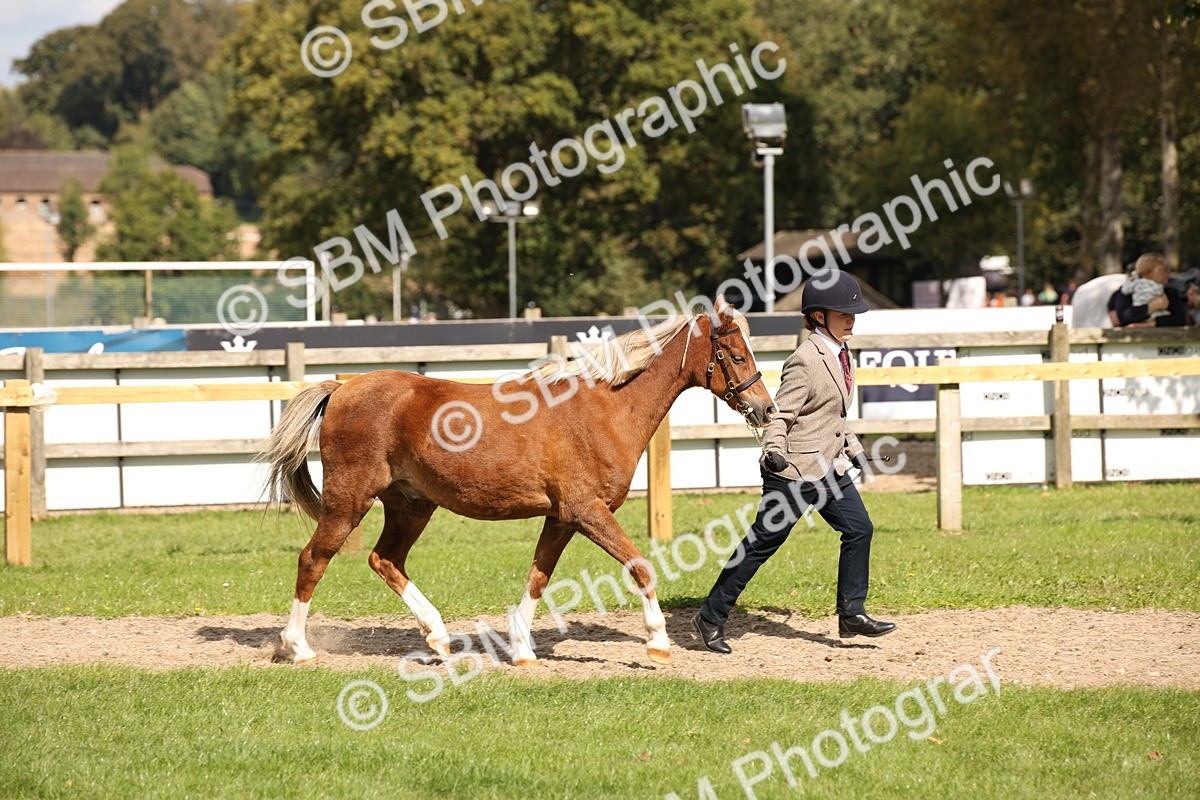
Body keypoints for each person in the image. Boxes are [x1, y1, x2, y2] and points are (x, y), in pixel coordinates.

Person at [692, 270, 894, 654]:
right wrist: (774, 451)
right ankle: (711, 616)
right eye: (842, 313)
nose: (851, 319)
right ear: (818, 316)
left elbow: (832, 417)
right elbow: (781, 416)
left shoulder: (840, 354)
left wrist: (855, 452)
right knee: (762, 545)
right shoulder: (805, 360)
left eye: (853, 313)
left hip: (830, 468)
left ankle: (852, 612)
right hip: (794, 470)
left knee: (859, 529)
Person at [1110, 252, 1195, 327]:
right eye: (1163, 270)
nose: (1168, 273)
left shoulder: (1170, 292)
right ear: (1148, 272)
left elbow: (1179, 320)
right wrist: (1152, 306)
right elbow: (1124, 317)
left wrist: (1150, 324)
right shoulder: (1128, 290)